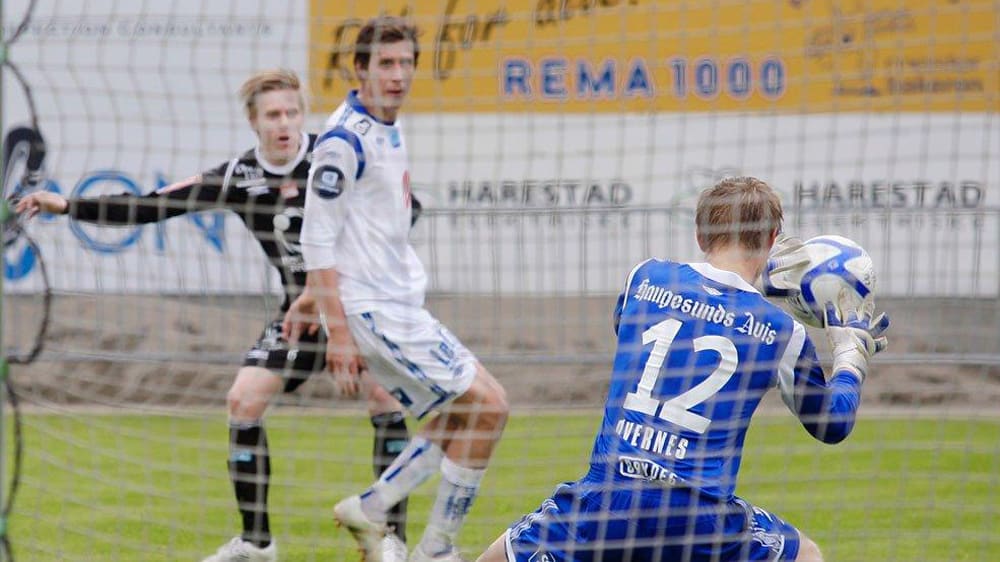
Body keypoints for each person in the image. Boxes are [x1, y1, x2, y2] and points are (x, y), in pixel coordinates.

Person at [16, 69, 415, 562]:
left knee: (385, 398)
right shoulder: (239, 176)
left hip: (357, 308)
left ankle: (393, 539)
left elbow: (404, 210)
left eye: (292, 112)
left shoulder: (334, 158)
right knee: (243, 401)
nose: (284, 123)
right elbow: (151, 206)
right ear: (253, 121)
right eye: (273, 115)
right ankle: (257, 544)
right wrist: (66, 205)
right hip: (299, 317)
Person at [477, 176, 890, 562]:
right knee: (806, 555)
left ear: (700, 235)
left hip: (606, 500)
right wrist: (850, 353)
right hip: (701, 521)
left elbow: (628, 328)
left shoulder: (645, 278)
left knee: (493, 557)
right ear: (771, 239)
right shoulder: (782, 332)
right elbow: (832, 425)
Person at [284, 16, 510, 562]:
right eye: (385, 64)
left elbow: (350, 232)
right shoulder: (343, 142)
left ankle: (373, 507)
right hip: (372, 310)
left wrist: (313, 298)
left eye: (406, 63)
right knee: (491, 406)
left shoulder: (387, 124)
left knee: (470, 412)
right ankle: (435, 549)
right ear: (359, 69)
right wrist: (338, 336)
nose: (398, 74)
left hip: (397, 304)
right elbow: (316, 238)